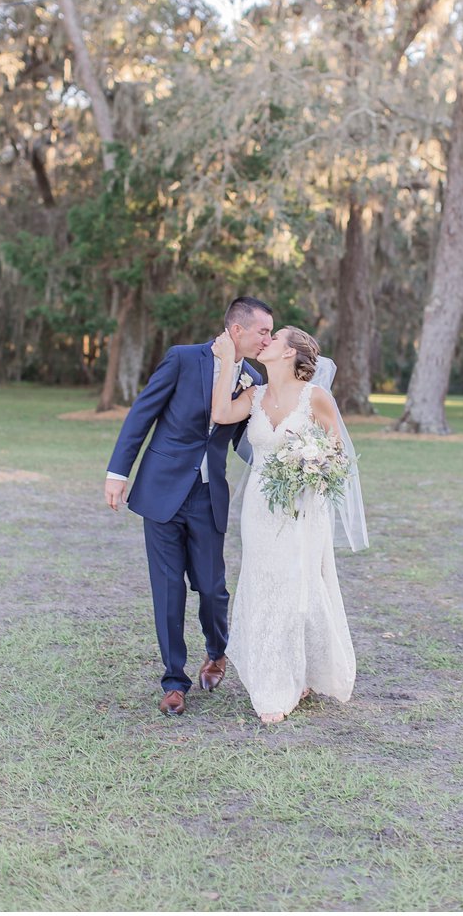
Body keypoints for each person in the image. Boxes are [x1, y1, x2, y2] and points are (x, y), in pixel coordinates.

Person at [104, 297, 273, 716]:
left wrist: (292, 462)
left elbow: (246, 443)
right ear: (237, 330)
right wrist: (117, 472)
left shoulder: (252, 378)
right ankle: (174, 681)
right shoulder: (182, 359)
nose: (267, 339)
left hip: (208, 495)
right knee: (168, 590)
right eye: (263, 331)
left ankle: (217, 652)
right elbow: (142, 414)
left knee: (213, 587)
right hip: (160, 492)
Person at [211, 325, 362, 724]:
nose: (267, 342)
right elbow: (221, 414)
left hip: (303, 511)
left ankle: (292, 679)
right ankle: (275, 675)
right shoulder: (255, 395)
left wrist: (310, 465)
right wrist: (228, 362)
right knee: (264, 584)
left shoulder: (316, 397)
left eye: (274, 339)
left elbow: (340, 457)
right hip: (260, 509)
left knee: (297, 587)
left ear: (291, 353)